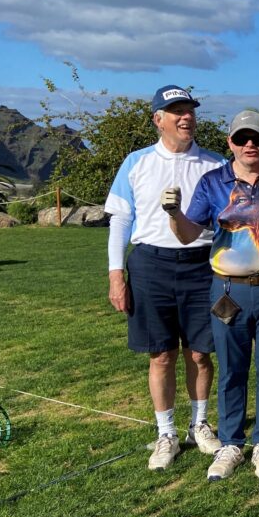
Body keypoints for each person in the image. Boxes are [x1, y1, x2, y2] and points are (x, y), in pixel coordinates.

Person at [163, 110, 259, 482]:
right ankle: (232, 442)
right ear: (230, 143)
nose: (249, 145)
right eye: (241, 139)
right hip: (227, 291)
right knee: (232, 369)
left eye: (258, 138)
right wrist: (173, 213)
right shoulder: (213, 181)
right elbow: (188, 234)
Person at [104, 85, 225, 471]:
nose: (185, 117)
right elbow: (120, 221)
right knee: (161, 354)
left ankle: (199, 424)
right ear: (159, 119)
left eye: (189, 109)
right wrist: (116, 275)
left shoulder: (214, 164)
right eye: (176, 110)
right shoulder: (136, 162)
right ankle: (166, 432)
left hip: (201, 265)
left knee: (201, 352)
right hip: (150, 265)